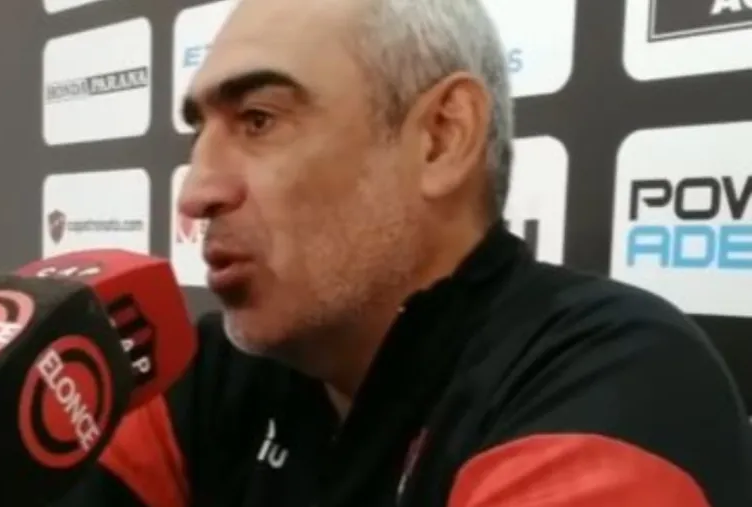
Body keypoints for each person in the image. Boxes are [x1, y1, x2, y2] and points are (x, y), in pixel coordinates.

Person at [57, 0, 752, 505]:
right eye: (199, 134)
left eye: (259, 120)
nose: (196, 191)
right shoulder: (203, 374)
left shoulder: (615, 378)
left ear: (441, 137)